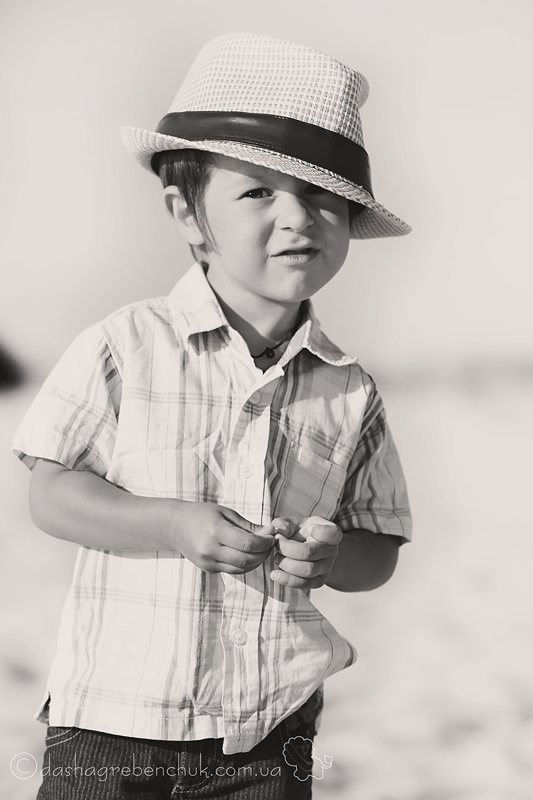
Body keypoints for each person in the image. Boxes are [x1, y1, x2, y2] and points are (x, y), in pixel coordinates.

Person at [13, 32, 412, 800]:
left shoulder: (347, 390)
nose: (297, 217)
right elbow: (51, 494)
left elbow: (378, 547)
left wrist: (331, 557)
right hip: (113, 721)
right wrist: (170, 523)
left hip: (268, 731)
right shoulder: (125, 345)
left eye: (322, 195)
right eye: (258, 192)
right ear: (187, 213)